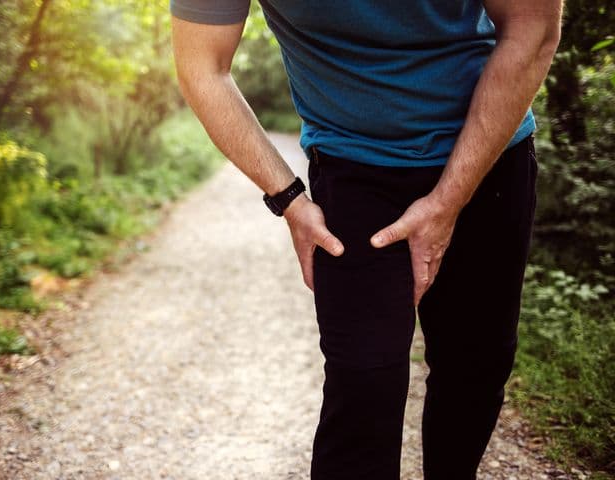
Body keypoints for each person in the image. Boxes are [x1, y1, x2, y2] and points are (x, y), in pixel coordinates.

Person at [169, 1, 562, 478]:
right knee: (362, 388)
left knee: (473, 371)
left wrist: (448, 201)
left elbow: (532, 27)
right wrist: (290, 199)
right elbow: (202, 66)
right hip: (354, 169)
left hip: (487, 153)